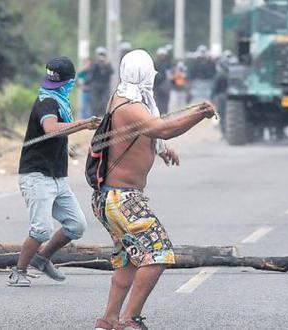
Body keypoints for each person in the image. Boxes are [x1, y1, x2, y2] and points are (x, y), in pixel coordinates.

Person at [91, 50, 216, 330]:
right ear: (145, 75)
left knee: (128, 260)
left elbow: (149, 135)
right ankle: (130, 320)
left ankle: (108, 321)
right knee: (159, 253)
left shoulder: (122, 98)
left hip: (110, 198)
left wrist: (161, 150)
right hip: (122, 199)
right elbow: (162, 129)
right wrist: (199, 113)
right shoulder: (130, 106)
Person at [8, 57, 101, 287]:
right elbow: (50, 128)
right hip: (36, 176)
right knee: (41, 230)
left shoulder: (60, 101)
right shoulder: (48, 101)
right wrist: (83, 124)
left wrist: (68, 147)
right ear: (71, 81)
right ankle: (18, 271)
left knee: (76, 225)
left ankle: (42, 258)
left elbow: (56, 133)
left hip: (57, 177)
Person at [90, 47, 114, 117]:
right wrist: (97, 63)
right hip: (95, 86)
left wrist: (106, 64)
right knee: (94, 102)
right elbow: (92, 73)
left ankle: (105, 116)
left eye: (102, 54)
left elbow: (111, 72)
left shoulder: (107, 64)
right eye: (100, 54)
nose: (101, 56)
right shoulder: (94, 64)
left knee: (105, 101)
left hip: (105, 86)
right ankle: (94, 117)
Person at [153, 47, 172, 115]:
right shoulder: (155, 64)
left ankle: (165, 114)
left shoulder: (168, 64)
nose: (162, 57)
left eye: (163, 55)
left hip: (165, 86)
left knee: (165, 102)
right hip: (157, 86)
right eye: (160, 55)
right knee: (157, 102)